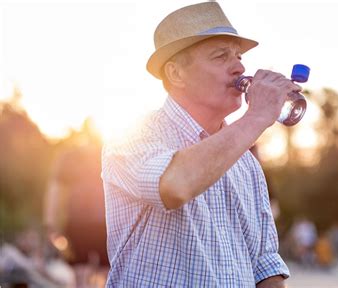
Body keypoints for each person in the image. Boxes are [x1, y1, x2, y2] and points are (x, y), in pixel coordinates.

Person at [101, 2, 301, 287]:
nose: (240, 67)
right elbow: (175, 185)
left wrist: (253, 122)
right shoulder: (133, 135)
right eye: (221, 56)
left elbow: (264, 266)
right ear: (176, 74)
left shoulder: (246, 163)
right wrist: (257, 116)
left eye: (239, 56)